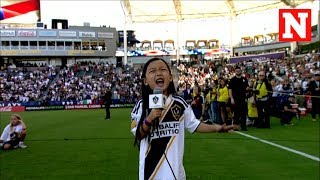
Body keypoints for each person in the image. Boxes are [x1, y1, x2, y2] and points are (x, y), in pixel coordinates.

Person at [130, 58, 233, 180]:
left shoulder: (179, 103)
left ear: (170, 76)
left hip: (175, 173)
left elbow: (195, 125)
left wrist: (217, 127)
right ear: (145, 81)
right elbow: (138, 134)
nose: (158, 73)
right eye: (152, 71)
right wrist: (150, 118)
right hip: (150, 174)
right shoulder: (141, 105)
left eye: (163, 69)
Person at [229, 66, 249, 131]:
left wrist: (246, 97)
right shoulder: (232, 80)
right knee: (236, 113)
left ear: (241, 71)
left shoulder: (244, 79)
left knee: (243, 113)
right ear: (235, 72)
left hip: (243, 98)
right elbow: (230, 90)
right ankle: (235, 127)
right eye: (237, 71)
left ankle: (243, 126)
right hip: (235, 98)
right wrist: (231, 98)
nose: (238, 72)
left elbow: (247, 89)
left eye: (239, 71)